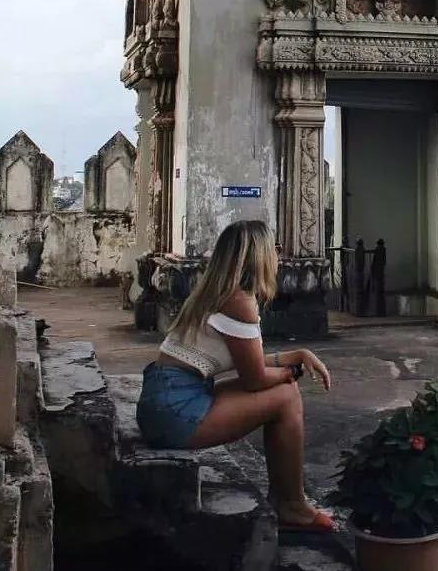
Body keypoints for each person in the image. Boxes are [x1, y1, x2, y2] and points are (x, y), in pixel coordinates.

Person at [135, 219, 334, 532]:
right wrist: (290, 374)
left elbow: (249, 364)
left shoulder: (217, 293)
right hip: (175, 411)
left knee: (282, 390)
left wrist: (298, 355)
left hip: (166, 398)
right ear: (259, 255)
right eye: (274, 248)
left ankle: (287, 500)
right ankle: (292, 504)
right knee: (285, 396)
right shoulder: (239, 302)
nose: (278, 255)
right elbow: (256, 379)